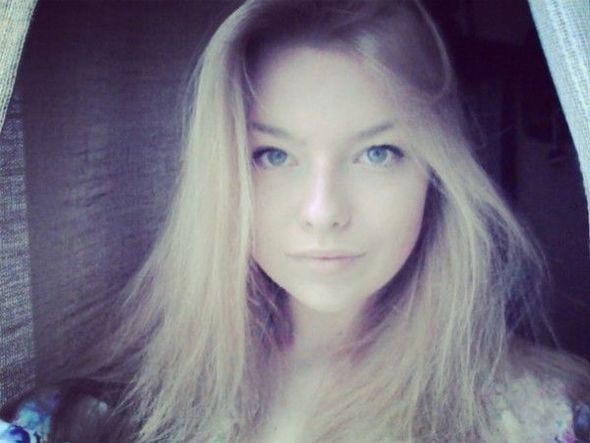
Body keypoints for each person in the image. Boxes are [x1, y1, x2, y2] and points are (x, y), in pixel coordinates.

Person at [2, 0, 590, 442]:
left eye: (378, 153)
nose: (323, 212)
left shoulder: (547, 416)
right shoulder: (89, 418)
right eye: (274, 156)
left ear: (436, 174)